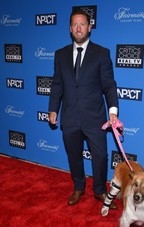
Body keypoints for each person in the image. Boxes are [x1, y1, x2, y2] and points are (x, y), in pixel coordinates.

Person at [48, 9, 119, 209]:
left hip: (94, 117)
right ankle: (78, 186)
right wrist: (53, 108)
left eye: (82, 24)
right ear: (70, 29)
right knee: (73, 154)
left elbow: (109, 85)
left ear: (89, 27)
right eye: (75, 25)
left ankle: (99, 189)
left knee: (101, 156)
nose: (79, 28)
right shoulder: (60, 54)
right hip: (70, 117)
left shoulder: (101, 53)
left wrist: (113, 111)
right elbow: (57, 84)